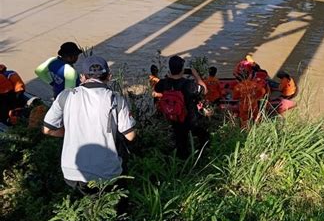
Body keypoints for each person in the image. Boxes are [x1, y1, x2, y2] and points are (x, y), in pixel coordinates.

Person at [42, 55, 136, 194]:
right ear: (109, 77)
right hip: (107, 173)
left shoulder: (65, 96)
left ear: (82, 77)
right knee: (116, 202)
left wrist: (70, 132)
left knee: (85, 203)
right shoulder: (115, 98)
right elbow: (130, 136)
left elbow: (47, 129)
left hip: (72, 173)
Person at [154, 56, 208, 159]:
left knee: (180, 141)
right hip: (190, 118)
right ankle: (202, 154)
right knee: (202, 134)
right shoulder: (188, 85)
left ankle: (182, 161)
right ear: (182, 69)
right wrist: (196, 75)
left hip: (174, 117)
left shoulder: (163, 83)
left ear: (170, 69)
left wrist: (168, 78)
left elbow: (157, 89)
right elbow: (205, 90)